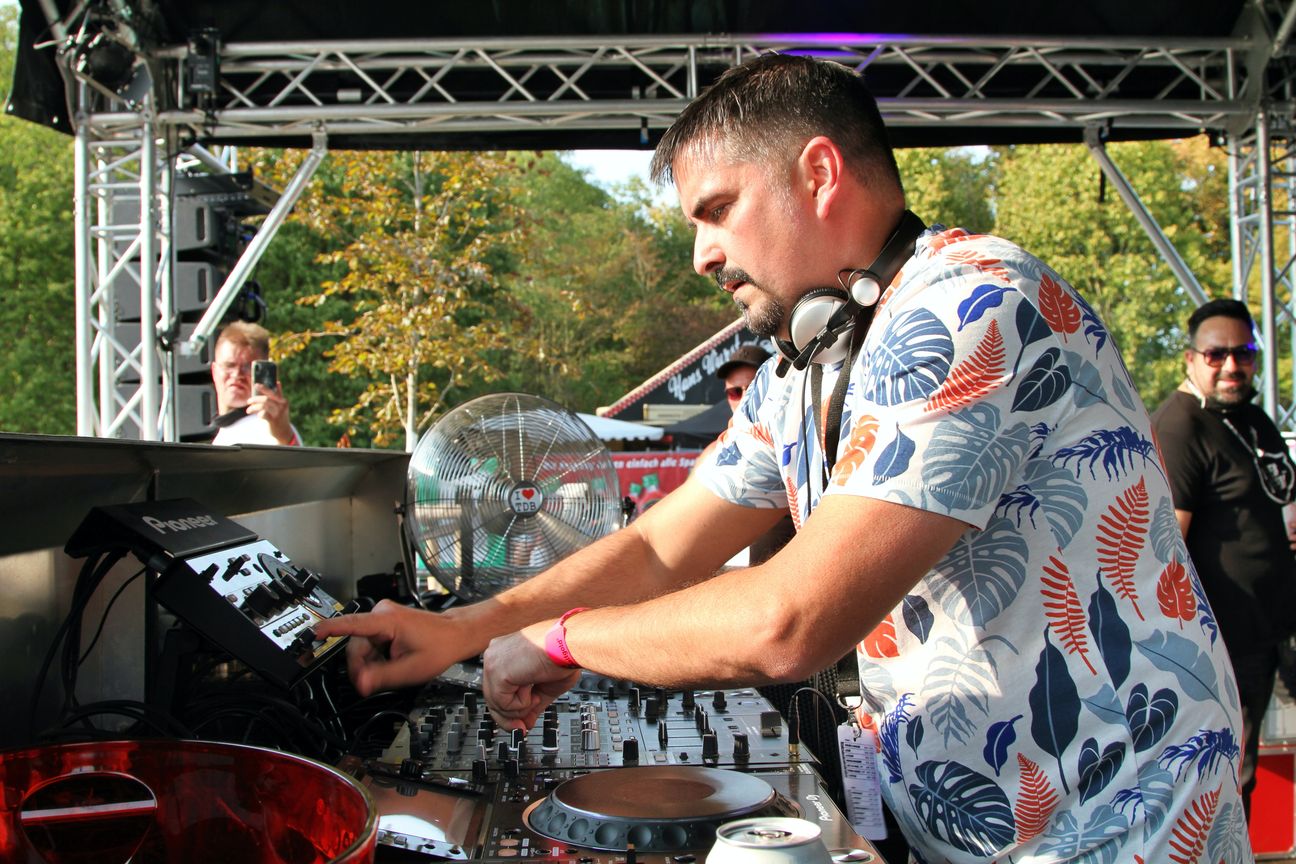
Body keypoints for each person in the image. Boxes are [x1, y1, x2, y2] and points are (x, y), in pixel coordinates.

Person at [315, 55, 1251, 862]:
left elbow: (789, 621)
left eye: (717, 210)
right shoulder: (801, 370)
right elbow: (660, 547)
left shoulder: (971, 305)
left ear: (818, 173)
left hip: (1117, 826)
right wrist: (463, 629)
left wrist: (562, 640)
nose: (701, 254)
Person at [1150, 298, 1296, 819]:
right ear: (1191, 358)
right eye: (1217, 354)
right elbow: (1166, 549)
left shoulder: (1250, 416)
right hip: (1228, 641)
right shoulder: (1179, 427)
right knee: (1232, 776)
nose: (1232, 365)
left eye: (1244, 353)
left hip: (1277, 622)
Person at [209, 321, 301, 446]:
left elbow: (294, 457)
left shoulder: (268, 428)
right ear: (214, 372)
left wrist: (284, 437)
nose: (237, 375)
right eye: (229, 366)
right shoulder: (225, 433)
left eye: (248, 367)